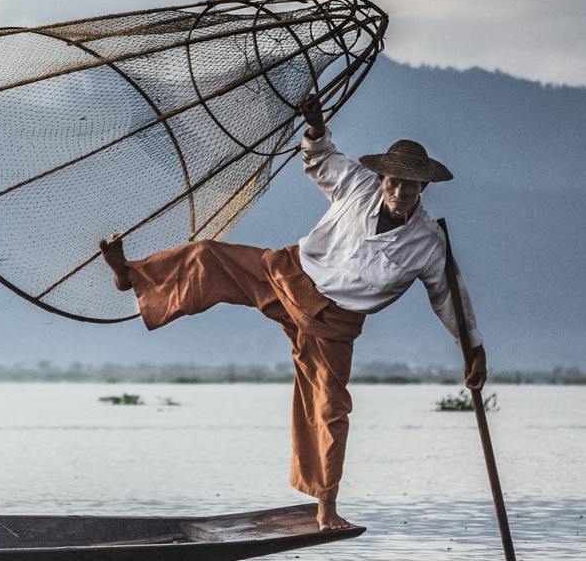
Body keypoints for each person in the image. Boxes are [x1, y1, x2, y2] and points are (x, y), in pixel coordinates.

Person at [99, 94, 486, 532]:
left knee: (330, 408)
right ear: (382, 178)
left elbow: (449, 299)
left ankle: (326, 508)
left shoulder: (430, 243)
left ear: (423, 189)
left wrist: (472, 349)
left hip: (332, 323)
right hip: (289, 275)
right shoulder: (358, 183)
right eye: (394, 181)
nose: (399, 191)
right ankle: (131, 277)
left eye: (410, 185)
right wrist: (318, 126)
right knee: (208, 255)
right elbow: (322, 159)